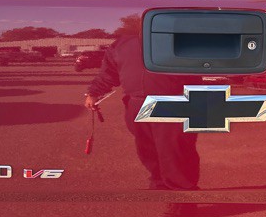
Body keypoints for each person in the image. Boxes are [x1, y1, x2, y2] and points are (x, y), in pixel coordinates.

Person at [84, 34, 200, 190]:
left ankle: (183, 197)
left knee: (175, 153)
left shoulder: (182, 41)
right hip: (137, 103)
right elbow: (109, 73)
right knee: (148, 151)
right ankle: (160, 185)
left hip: (174, 103)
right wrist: (94, 92)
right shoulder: (122, 44)